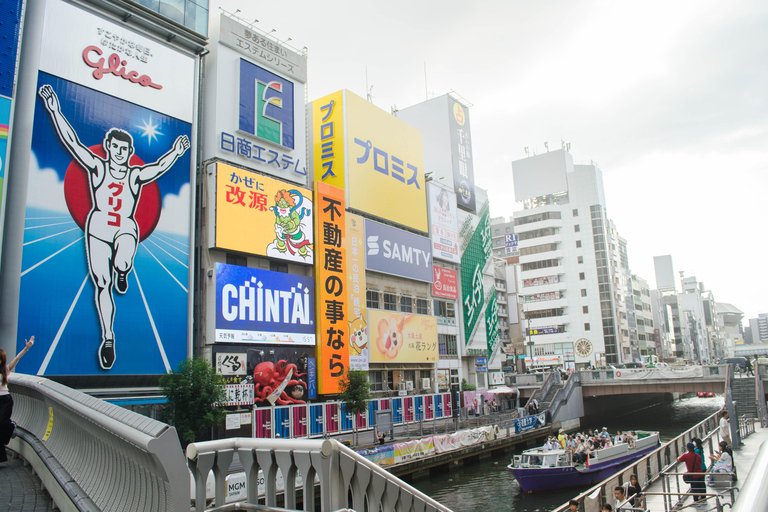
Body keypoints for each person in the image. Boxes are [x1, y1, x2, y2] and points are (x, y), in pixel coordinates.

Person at [38, 85, 190, 370]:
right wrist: (55, 109)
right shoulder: (97, 167)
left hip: (124, 228)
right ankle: (108, 337)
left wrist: (177, 152)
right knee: (102, 284)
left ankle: (123, 269)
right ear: (108, 148)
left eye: (124, 149)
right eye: (115, 147)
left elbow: (157, 168)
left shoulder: (134, 175)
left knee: (123, 256)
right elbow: (72, 143)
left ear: (129, 152)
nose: (119, 152)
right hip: (96, 228)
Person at [0, 336, 34, 462]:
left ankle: (11, 426)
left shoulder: (5, 370)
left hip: (5, 400)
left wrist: (27, 347)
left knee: (2, 422)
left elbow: (17, 358)